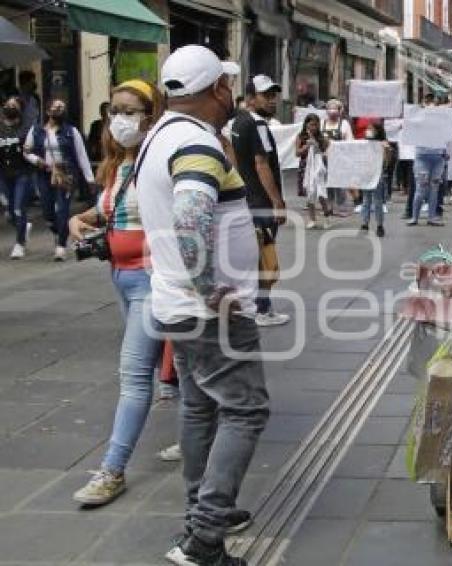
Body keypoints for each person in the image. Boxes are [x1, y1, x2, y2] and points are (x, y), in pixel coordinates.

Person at [135, 45, 269, 565]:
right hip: (210, 311)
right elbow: (191, 220)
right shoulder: (195, 143)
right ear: (217, 89)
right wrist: (211, 288)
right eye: (228, 85)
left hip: (177, 302)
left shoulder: (160, 136)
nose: (231, 93)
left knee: (199, 405)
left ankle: (202, 509)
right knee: (246, 408)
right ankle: (203, 539)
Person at [67, 80, 166, 505]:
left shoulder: (156, 159)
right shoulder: (115, 165)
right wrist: (80, 219)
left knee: (133, 375)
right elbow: (113, 209)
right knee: (166, 367)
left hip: (148, 280)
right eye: (115, 110)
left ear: (150, 115)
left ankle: (112, 470)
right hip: (120, 278)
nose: (119, 119)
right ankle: (203, 422)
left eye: (130, 110)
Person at [231, 74, 290, 327]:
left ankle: (253, 305)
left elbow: (232, 156)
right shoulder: (257, 126)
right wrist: (277, 201)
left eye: (273, 95)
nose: (272, 100)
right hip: (261, 203)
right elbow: (261, 163)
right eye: (266, 96)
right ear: (251, 98)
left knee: (252, 256)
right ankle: (262, 309)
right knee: (265, 256)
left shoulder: (237, 122)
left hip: (246, 199)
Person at [24, 98, 96, 261]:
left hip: (66, 175)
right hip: (44, 174)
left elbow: (81, 155)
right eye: (56, 107)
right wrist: (38, 161)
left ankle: (61, 246)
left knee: (62, 210)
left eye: (62, 108)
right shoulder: (36, 130)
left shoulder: (71, 131)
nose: (60, 110)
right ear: (48, 111)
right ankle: (59, 231)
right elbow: (26, 151)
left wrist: (89, 179)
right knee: (48, 210)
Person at [1, 96, 32, 258]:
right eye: (8, 105)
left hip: (22, 174)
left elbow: (32, 150)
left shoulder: (25, 129)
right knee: (9, 211)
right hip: (3, 175)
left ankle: (20, 243)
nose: (10, 107)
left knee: (18, 208)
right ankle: (23, 226)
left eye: (14, 105)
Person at [407, 95, 446, 227]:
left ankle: (431, 217)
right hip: (422, 157)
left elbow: (447, 135)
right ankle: (414, 217)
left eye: (433, 103)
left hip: (438, 158)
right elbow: (409, 126)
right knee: (421, 187)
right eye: (428, 103)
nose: (431, 105)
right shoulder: (418, 120)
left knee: (434, 188)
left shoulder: (441, 121)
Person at [296, 113, 331, 229]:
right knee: (310, 194)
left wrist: (316, 145)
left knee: (321, 193)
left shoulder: (322, 137)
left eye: (316, 125)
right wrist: (307, 146)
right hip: (305, 166)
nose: (313, 127)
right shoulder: (300, 137)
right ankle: (312, 219)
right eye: (311, 124)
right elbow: (297, 153)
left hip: (318, 168)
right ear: (306, 124)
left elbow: (326, 154)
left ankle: (327, 216)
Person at [321, 98, 354, 215]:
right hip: (324, 159)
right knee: (327, 183)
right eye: (330, 110)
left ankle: (341, 207)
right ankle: (329, 206)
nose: (332, 114)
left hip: (340, 159)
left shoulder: (344, 124)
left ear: (340, 112)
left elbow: (350, 141)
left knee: (340, 184)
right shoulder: (322, 123)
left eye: (335, 110)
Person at [360, 121, 390, 237]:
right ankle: (365, 223)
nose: (369, 131)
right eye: (368, 129)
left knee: (378, 201)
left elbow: (386, 163)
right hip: (366, 174)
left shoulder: (383, 144)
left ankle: (379, 225)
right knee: (366, 200)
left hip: (377, 174)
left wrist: (386, 150)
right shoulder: (364, 143)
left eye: (371, 129)